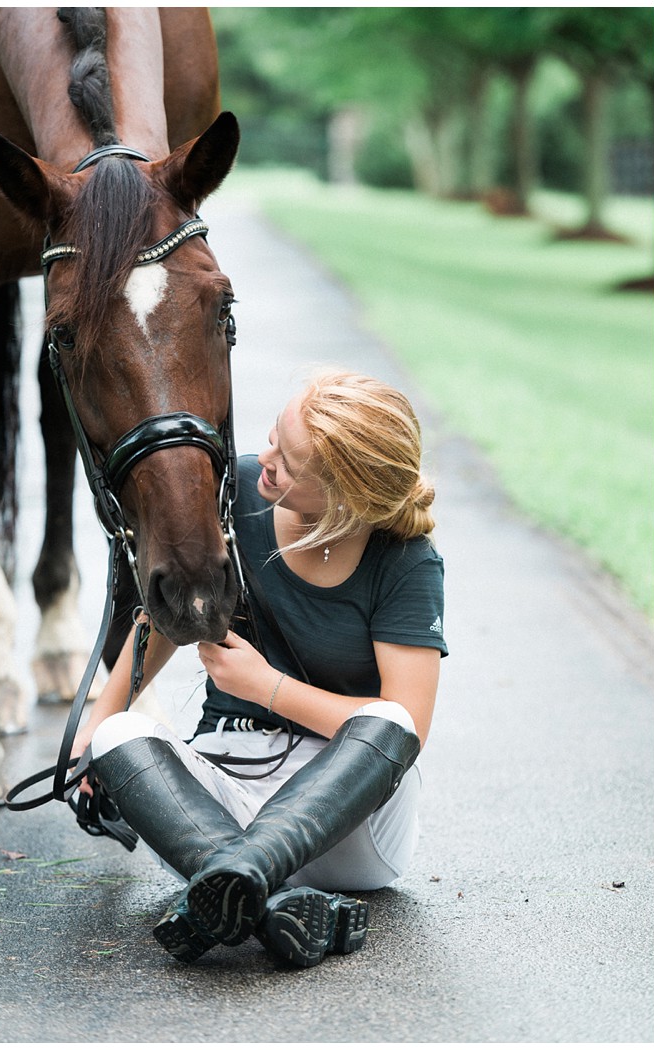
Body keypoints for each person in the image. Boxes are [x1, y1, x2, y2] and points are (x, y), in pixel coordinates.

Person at [72, 370, 446, 968]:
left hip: (347, 823)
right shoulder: (237, 491)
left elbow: (407, 731)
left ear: (347, 495)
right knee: (120, 732)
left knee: (390, 720)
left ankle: (236, 879)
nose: (265, 460)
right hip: (219, 806)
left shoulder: (406, 564)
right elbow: (165, 613)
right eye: (274, 437)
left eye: (291, 464)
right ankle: (263, 900)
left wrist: (265, 688)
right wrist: (96, 725)